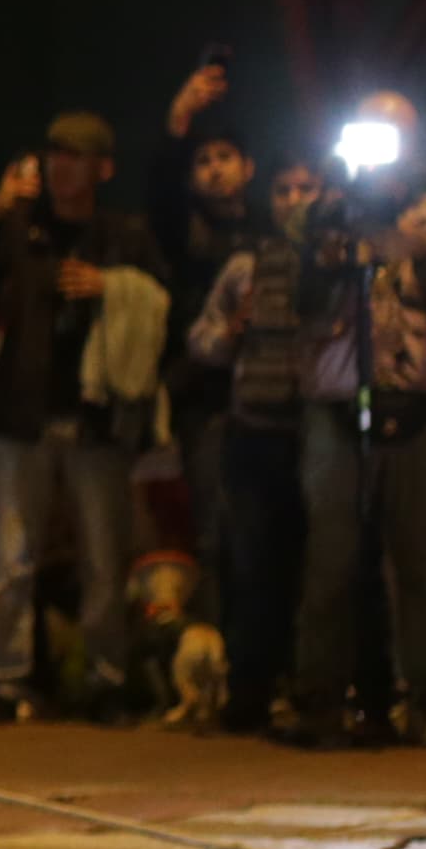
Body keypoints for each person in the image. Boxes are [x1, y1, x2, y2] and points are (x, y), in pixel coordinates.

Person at [0, 112, 167, 717]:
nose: (59, 166)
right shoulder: (21, 225)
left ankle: (106, 678)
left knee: (105, 561)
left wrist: (113, 287)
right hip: (22, 417)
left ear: (103, 169)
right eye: (53, 154)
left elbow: (165, 305)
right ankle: (2, 677)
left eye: (74, 156)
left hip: (97, 420)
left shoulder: (124, 234)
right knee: (11, 561)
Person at [280, 95, 426, 746]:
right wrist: (333, 246)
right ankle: (319, 703)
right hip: (337, 408)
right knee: (330, 563)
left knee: (420, 566)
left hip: (418, 409)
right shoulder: (322, 211)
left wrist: (413, 251)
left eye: (397, 135)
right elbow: (297, 298)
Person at [187, 154, 325, 732]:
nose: (295, 200)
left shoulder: (333, 265)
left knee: (311, 568)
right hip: (252, 434)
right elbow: (201, 341)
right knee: (250, 565)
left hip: (315, 433)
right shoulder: (245, 266)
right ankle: (249, 692)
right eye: (285, 189)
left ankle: (306, 687)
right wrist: (231, 329)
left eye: (306, 189)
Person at [144, 62, 259, 622]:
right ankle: (217, 653)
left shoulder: (269, 230)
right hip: (205, 396)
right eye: (203, 161)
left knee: (269, 527)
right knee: (215, 526)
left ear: (248, 168)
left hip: (269, 398)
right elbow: (161, 188)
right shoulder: (181, 231)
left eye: (224, 159)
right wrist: (179, 118)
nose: (214, 171)